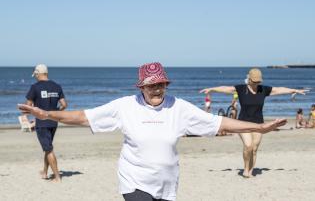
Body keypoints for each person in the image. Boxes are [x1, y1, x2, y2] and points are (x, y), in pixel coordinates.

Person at [18, 63, 286, 201]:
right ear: (141, 88)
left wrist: (260, 127)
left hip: (167, 184)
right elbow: (83, 117)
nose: (157, 90)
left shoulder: (179, 108)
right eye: (151, 86)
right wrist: (47, 114)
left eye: (161, 85)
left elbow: (220, 123)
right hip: (134, 181)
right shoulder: (125, 106)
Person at [200, 68, 307, 178]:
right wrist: (212, 89)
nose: (256, 83)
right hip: (242, 123)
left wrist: (295, 90)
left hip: (258, 124)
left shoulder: (263, 90)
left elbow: (278, 89)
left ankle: (250, 171)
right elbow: (226, 88)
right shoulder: (241, 89)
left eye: (258, 81)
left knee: (254, 149)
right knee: (248, 145)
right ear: (249, 79)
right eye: (254, 81)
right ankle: (245, 170)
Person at [25, 64, 67, 182]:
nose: (35, 77)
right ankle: (44, 171)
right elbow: (64, 105)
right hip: (53, 121)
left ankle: (57, 177)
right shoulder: (57, 86)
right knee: (48, 147)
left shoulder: (35, 87)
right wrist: (56, 114)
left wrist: (28, 120)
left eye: (35, 75)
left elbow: (27, 107)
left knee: (48, 149)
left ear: (38, 73)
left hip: (42, 124)